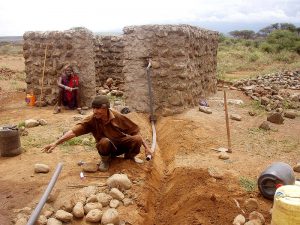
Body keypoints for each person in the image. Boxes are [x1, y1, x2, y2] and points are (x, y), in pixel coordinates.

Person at [43, 95, 152, 172]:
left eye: (98, 109)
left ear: (106, 109)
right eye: (94, 108)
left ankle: (129, 157)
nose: (95, 111)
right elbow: (73, 132)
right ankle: (105, 161)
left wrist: (147, 148)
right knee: (104, 141)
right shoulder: (91, 120)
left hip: (120, 143)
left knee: (137, 139)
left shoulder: (117, 116)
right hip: (107, 148)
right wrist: (55, 143)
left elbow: (135, 131)